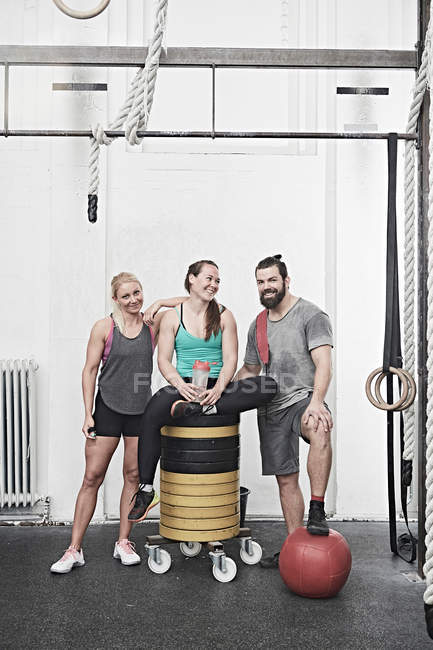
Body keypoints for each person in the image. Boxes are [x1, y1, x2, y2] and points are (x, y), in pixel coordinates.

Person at [50, 272, 186, 574]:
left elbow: (191, 302)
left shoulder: (153, 325)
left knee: (133, 475)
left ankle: (123, 541)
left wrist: (161, 301)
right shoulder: (104, 327)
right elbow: (89, 370)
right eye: (126, 296)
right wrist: (88, 413)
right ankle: (74, 549)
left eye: (137, 293)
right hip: (108, 408)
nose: (134, 300)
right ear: (115, 299)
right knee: (92, 477)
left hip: (142, 411)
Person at [128, 260, 277, 521]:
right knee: (151, 412)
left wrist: (219, 389)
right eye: (209, 278)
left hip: (218, 388)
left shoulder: (224, 315)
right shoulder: (173, 317)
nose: (214, 285)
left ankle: (207, 407)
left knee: (268, 385)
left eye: (217, 281)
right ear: (192, 279)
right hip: (184, 386)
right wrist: (180, 386)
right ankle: (146, 489)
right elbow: (163, 360)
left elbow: (231, 359)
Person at [235, 254, 333, 567]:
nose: (266, 287)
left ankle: (317, 508)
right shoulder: (258, 325)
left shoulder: (311, 314)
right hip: (271, 410)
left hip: (303, 398)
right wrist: (220, 392)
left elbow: (324, 364)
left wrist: (317, 401)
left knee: (319, 427)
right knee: (286, 480)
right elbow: (250, 370)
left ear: (286, 281)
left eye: (272, 280)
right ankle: (293, 548)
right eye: (261, 282)